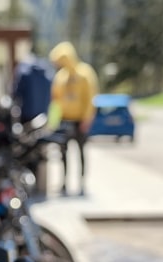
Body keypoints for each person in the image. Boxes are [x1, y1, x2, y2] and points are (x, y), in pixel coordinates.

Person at [49, 41, 98, 196]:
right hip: (64, 120)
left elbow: (90, 97)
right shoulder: (60, 77)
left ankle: (82, 183)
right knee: (63, 154)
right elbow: (55, 100)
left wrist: (87, 118)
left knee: (81, 153)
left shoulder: (84, 73)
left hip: (80, 121)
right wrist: (54, 121)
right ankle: (64, 183)